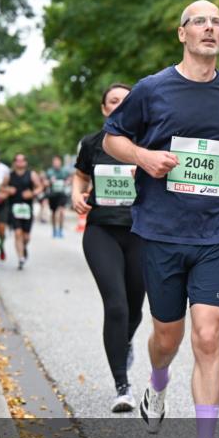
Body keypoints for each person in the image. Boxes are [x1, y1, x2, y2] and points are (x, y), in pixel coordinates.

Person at [103, 0, 219, 438]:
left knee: (208, 335)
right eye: (199, 22)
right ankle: (157, 382)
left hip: (215, 232)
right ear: (182, 34)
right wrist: (145, 158)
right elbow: (112, 139)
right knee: (166, 338)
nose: (209, 28)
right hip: (162, 232)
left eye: (217, 22)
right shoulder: (152, 89)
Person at [73, 83, 146, 412]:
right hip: (102, 231)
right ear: (105, 109)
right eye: (113, 101)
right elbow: (79, 175)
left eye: (126, 101)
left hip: (142, 234)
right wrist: (77, 194)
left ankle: (124, 341)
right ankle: (122, 386)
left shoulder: (149, 143)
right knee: (115, 306)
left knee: (134, 310)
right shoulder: (92, 143)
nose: (119, 105)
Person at [1, 154, 43, 270]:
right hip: (13, 208)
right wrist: (8, 189)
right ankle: (20, 258)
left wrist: (33, 193)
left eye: (22, 160)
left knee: (26, 237)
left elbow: (40, 187)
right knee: (17, 233)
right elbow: (1, 187)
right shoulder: (9, 175)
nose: (19, 163)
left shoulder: (31, 174)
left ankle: (23, 247)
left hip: (27, 209)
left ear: (25, 162)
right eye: (17, 160)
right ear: (14, 162)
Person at [46, 156, 72, 238]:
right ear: (53, 163)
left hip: (62, 194)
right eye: (55, 162)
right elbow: (45, 182)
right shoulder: (49, 172)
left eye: (58, 162)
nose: (56, 164)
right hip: (53, 195)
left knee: (61, 211)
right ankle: (54, 229)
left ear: (60, 163)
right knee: (53, 213)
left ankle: (60, 230)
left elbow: (70, 178)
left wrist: (67, 181)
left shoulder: (64, 171)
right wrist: (50, 181)